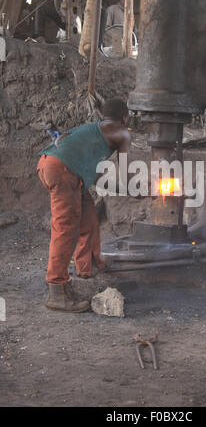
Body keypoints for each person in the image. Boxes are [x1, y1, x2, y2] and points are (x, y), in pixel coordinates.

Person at [37, 99, 131, 313]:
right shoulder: (123, 133)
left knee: (88, 216)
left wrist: (125, 188)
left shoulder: (93, 132)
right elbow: (127, 175)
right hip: (61, 171)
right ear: (125, 118)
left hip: (53, 166)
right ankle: (57, 291)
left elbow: (97, 178)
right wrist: (138, 188)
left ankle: (89, 267)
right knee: (66, 229)